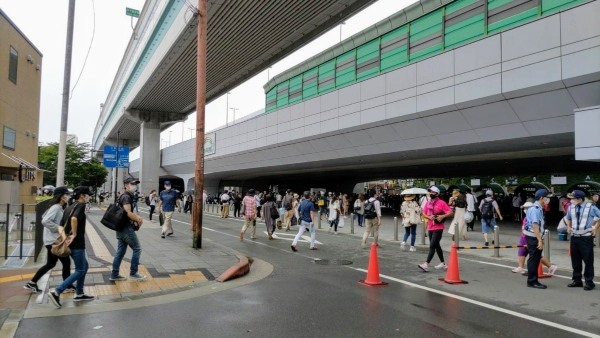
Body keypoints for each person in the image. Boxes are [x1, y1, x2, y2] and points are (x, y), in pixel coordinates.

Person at [49, 186, 94, 308]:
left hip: (70, 243)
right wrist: (74, 234)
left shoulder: (69, 207)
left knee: (85, 266)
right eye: (87, 194)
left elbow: (61, 226)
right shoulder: (80, 205)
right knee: (80, 269)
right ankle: (57, 291)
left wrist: (65, 238)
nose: (88, 197)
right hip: (77, 243)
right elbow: (74, 218)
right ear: (82, 196)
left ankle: (79, 293)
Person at [24, 187, 75, 294]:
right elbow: (45, 220)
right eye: (66, 194)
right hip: (53, 241)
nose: (68, 196)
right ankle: (67, 286)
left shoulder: (58, 207)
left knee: (50, 264)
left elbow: (44, 216)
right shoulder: (56, 207)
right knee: (66, 263)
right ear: (61, 196)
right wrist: (58, 228)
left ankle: (32, 283)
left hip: (51, 240)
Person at [109, 178, 146, 282]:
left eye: (136, 184)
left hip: (120, 228)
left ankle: (114, 274)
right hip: (125, 228)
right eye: (132, 184)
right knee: (137, 248)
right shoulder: (126, 196)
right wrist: (138, 219)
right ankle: (133, 273)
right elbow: (127, 213)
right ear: (126, 185)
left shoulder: (125, 195)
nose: (135, 186)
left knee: (120, 252)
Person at [565, 189, 600, 290]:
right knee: (575, 260)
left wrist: (596, 229)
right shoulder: (571, 207)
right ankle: (577, 280)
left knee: (588, 260)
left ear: (580, 199)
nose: (572, 200)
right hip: (574, 237)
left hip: (586, 237)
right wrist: (568, 226)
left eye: (574, 198)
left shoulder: (591, 207)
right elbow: (568, 218)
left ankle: (589, 282)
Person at [512, 202, 558, 275]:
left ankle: (550, 266)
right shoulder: (526, 217)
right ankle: (521, 267)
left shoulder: (534, 216)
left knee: (535, 255)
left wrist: (540, 240)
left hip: (531, 237)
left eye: (526, 208)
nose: (524, 210)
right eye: (524, 208)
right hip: (525, 236)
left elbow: (536, 227)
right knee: (521, 252)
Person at [418, 186, 453, 272]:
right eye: (430, 192)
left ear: (437, 194)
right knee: (436, 245)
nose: (431, 194)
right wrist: (429, 217)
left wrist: (442, 216)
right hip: (430, 227)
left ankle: (426, 264)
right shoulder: (428, 202)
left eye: (432, 192)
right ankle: (443, 263)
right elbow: (423, 213)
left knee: (432, 245)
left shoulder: (441, 203)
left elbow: (450, 212)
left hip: (439, 227)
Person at [523, 189, 551, 289]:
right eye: (546, 198)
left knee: (534, 258)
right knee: (534, 259)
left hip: (533, 236)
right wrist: (539, 240)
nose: (548, 200)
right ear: (541, 198)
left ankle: (533, 280)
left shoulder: (537, 208)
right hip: (533, 237)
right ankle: (532, 281)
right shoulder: (535, 209)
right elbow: (535, 226)